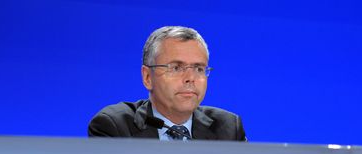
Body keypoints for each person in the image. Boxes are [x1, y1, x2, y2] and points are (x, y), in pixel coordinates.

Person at [88, 26, 247, 141]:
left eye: (199, 68)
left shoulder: (228, 128)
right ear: (147, 77)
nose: (190, 77)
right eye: (176, 68)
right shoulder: (115, 126)